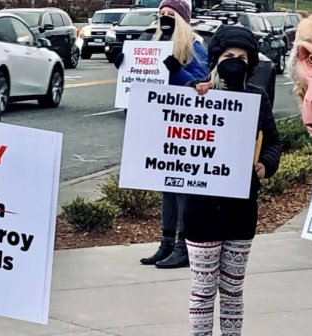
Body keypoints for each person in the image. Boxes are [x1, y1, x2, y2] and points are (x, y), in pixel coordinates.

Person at [183, 25, 282, 336]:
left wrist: (266, 165)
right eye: (229, 56)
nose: (235, 62)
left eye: (242, 57)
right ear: (216, 59)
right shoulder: (197, 93)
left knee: (232, 290)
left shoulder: (257, 97)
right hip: (201, 208)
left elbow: (274, 143)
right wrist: (195, 98)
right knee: (202, 290)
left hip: (241, 208)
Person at [115, 0, 208, 269]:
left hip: (183, 122)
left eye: (171, 14)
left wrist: (177, 70)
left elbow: (200, 82)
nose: (165, 18)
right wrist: (122, 66)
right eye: (161, 14)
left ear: (182, 18)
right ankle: (166, 243)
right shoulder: (152, 42)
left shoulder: (193, 46)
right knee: (166, 186)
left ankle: (183, 246)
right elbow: (139, 78)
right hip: (158, 121)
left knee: (181, 188)